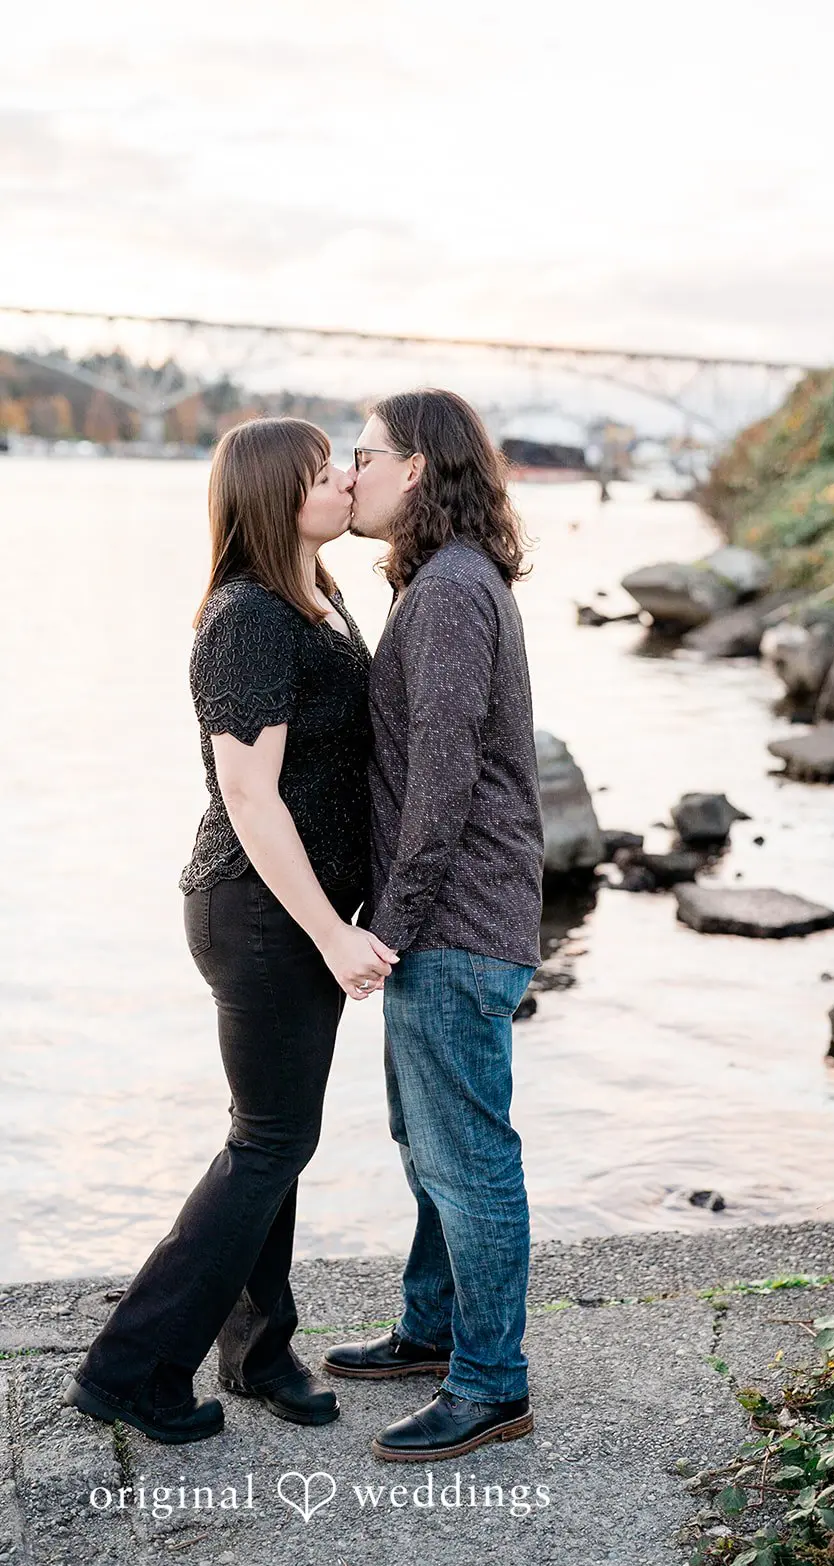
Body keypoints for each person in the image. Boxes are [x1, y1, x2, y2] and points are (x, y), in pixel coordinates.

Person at [62, 417, 396, 1445]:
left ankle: (255, 1352)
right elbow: (249, 796)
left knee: (273, 1141)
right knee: (269, 1142)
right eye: (323, 472)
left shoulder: (318, 597)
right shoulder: (249, 619)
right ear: (273, 498)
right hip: (256, 911)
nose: (345, 480)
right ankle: (129, 1365)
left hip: (290, 909)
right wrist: (333, 935)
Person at [322, 390, 544, 1464]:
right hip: (451, 920)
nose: (348, 473)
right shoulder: (445, 583)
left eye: (361, 455)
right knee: (430, 1149)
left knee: (466, 1159)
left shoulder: (452, 591)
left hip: (456, 922)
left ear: (414, 469)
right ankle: (430, 1328)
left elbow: (446, 778)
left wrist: (386, 926)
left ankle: (491, 1382)